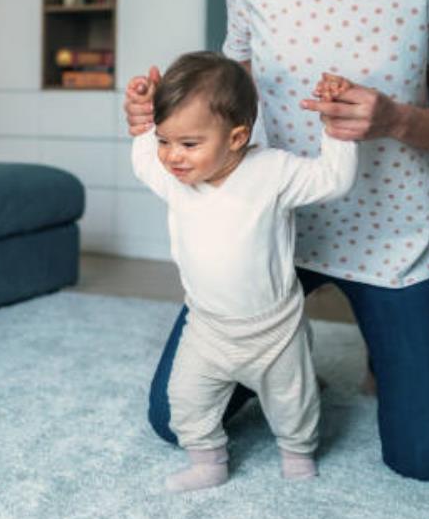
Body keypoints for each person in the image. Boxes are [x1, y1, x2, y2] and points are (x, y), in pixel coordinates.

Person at [124, 0, 429, 483]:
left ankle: (379, 348)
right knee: (171, 420)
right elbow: (225, 94)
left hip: (385, 237)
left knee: (428, 461)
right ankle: (287, 358)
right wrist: (158, 112)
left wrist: (396, 119)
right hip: (266, 233)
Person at [131, 51, 357, 491]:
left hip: (273, 330)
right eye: (165, 141)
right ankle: (208, 462)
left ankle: (297, 455)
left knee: (294, 402)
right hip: (207, 327)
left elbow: (334, 180)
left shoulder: (271, 171)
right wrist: (144, 122)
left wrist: (336, 131)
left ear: (236, 138)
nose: (172, 156)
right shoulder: (174, 178)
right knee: (185, 399)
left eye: (189, 144)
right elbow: (143, 159)